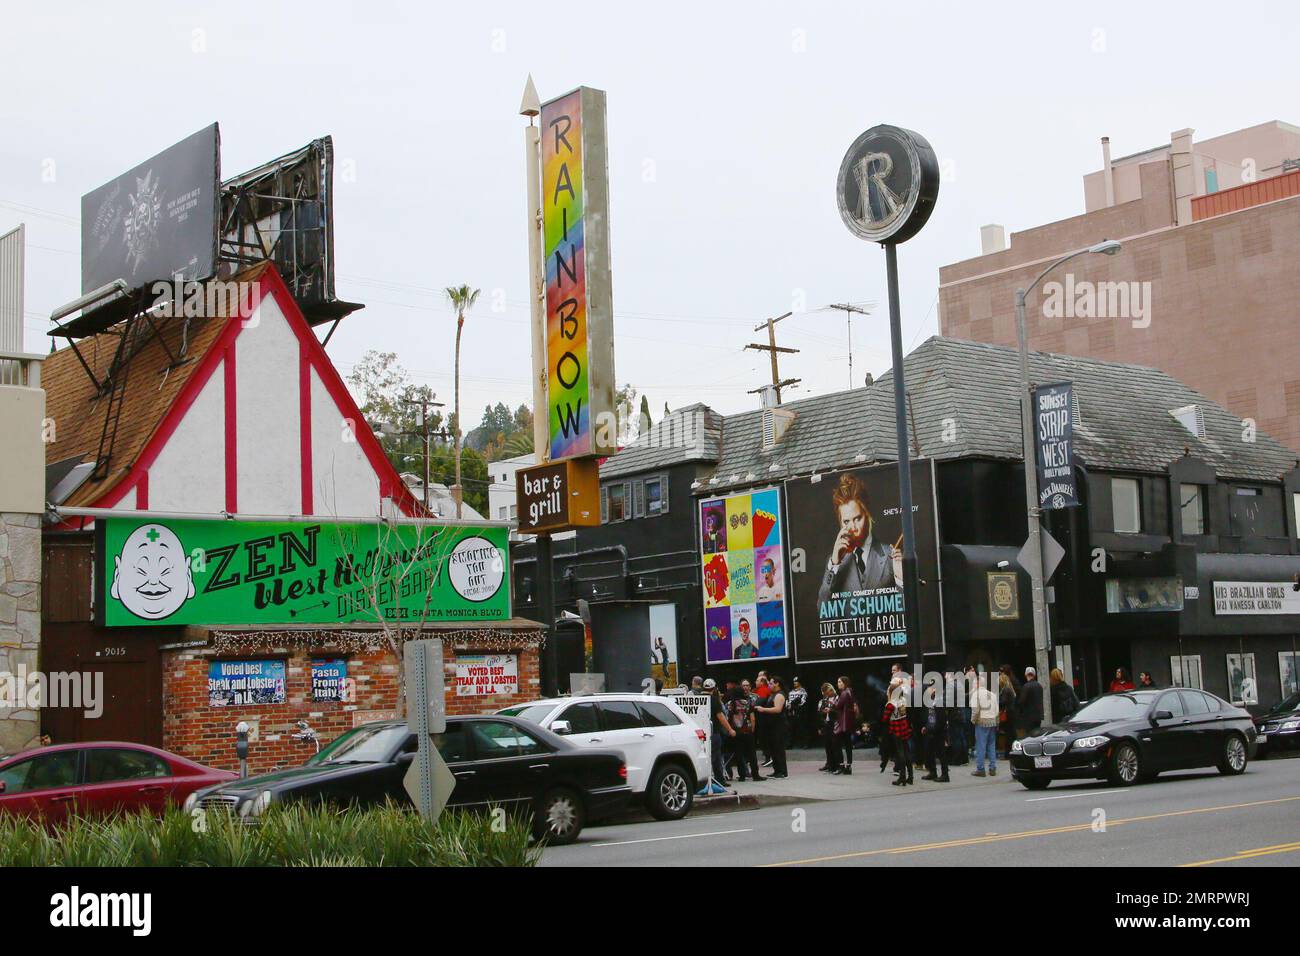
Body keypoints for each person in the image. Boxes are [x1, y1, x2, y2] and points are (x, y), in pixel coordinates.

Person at [817, 473, 901, 604]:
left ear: (867, 515)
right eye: (846, 522)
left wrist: (901, 579)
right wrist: (834, 564)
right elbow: (822, 610)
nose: (852, 528)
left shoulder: (891, 556)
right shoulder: (834, 562)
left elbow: (909, 610)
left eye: (857, 519)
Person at [726, 685, 762, 781]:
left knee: (739, 754)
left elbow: (727, 718)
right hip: (747, 730)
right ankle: (755, 775)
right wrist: (752, 729)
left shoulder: (730, 704)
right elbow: (752, 718)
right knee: (752, 754)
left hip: (736, 732)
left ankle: (742, 775)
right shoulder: (747, 703)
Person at [756, 676, 789, 777]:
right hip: (772, 725)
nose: (769, 685)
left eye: (771, 683)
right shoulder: (773, 695)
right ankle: (777, 770)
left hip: (778, 725)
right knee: (773, 748)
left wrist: (763, 709)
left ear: (777, 683)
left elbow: (777, 709)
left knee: (778, 748)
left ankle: (782, 771)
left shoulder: (779, 695)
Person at [885, 674, 914, 786]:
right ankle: (910, 776)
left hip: (896, 728)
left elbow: (884, 718)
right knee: (907, 751)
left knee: (900, 752)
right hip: (904, 726)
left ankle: (902, 776)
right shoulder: (903, 700)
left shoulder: (891, 704)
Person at [970, 674, 999, 777]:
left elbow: (975, 710)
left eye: (974, 683)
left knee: (980, 746)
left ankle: (980, 769)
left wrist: (973, 720)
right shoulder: (992, 694)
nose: (973, 684)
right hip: (992, 722)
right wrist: (996, 722)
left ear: (977, 684)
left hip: (981, 722)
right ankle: (992, 768)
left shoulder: (976, 694)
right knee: (991, 745)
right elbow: (996, 710)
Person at [920, 692, 950, 783]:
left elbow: (940, 722)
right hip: (931, 731)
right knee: (929, 752)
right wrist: (926, 726)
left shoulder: (940, 704)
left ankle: (945, 775)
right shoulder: (932, 704)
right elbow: (930, 718)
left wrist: (931, 730)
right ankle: (932, 772)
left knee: (941, 754)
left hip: (938, 733)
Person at [706, 678, 731, 784]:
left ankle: (706, 779)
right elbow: (720, 716)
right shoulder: (714, 700)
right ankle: (719, 780)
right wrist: (729, 729)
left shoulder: (698, 698)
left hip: (701, 733)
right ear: (715, 688)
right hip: (714, 732)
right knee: (716, 757)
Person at [832, 675, 858, 775]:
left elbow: (838, 706)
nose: (838, 684)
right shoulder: (850, 692)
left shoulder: (844, 693)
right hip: (849, 722)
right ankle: (848, 766)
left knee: (837, 744)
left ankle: (841, 766)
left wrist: (834, 701)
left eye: (840, 682)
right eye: (838, 682)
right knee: (848, 745)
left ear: (845, 683)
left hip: (843, 723)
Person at [817, 682, 841, 772]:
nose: (825, 694)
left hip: (835, 723)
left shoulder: (837, 698)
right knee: (827, 745)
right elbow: (819, 712)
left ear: (831, 690)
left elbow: (840, 712)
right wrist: (820, 726)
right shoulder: (824, 699)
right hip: (826, 724)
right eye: (824, 692)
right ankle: (830, 764)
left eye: (827, 692)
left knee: (835, 745)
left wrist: (830, 710)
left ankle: (837, 765)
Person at [1018, 666, 1044, 737]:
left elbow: (1022, 701)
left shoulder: (1026, 686)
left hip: (1029, 716)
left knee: (1030, 735)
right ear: (1034, 675)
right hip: (1038, 716)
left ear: (1025, 675)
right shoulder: (1039, 686)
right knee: (1037, 734)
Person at [997, 672, 1017, 756]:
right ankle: (1011, 751)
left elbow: (1003, 701)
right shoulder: (1009, 688)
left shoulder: (1005, 689)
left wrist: (996, 701)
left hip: (1008, 713)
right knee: (1011, 733)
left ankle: (1008, 753)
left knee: (1009, 733)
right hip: (1011, 712)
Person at [786, 677, 810, 747]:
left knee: (802, 728)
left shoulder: (803, 691)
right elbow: (788, 700)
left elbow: (803, 702)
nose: (794, 683)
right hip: (791, 711)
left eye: (796, 681)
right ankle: (789, 744)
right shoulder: (791, 691)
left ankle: (805, 743)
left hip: (800, 712)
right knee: (790, 728)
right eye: (794, 681)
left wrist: (795, 705)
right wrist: (788, 706)